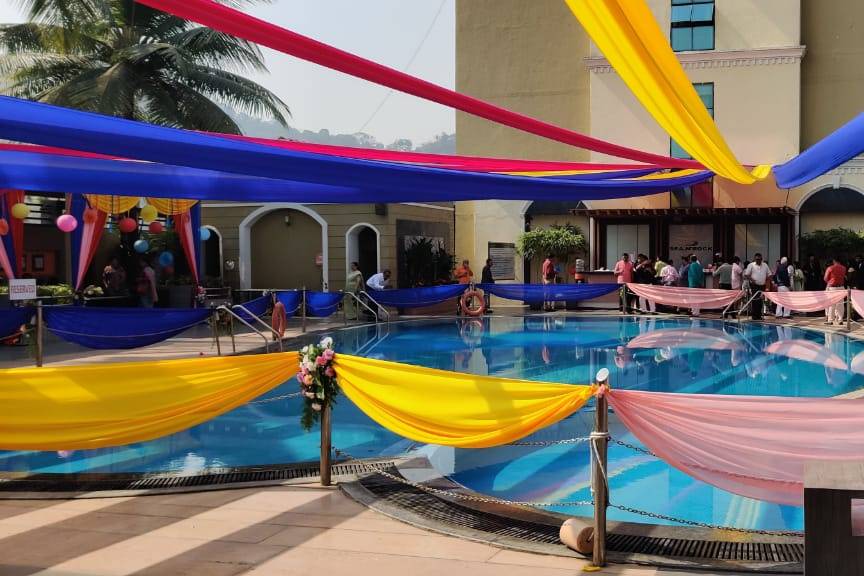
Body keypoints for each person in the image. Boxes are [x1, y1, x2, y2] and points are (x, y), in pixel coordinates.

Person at [743, 253, 771, 320]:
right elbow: (746, 275)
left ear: (762, 259)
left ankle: (759, 315)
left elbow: (769, 274)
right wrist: (752, 279)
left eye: (760, 259)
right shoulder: (751, 265)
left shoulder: (765, 265)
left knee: (760, 301)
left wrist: (767, 282)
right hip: (754, 285)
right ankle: (754, 316)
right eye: (757, 259)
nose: (758, 260)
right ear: (755, 259)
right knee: (755, 300)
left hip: (762, 285)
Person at [824, 256, 847, 326]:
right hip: (841, 287)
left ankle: (830, 320)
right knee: (840, 304)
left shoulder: (830, 268)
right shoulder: (844, 268)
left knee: (831, 304)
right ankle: (840, 320)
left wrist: (830, 281)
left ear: (834, 261)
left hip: (832, 288)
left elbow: (825, 278)